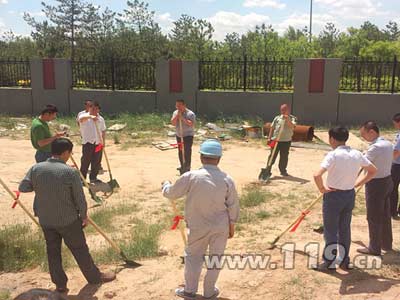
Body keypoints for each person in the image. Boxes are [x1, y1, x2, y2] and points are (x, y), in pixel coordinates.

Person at [18, 138, 115, 293]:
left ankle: (60, 284)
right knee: (80, 249)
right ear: (65, 153)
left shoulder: (36, 168)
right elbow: (79, 198)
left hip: (46, 220)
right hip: (68, 220)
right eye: (70, 153)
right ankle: (94, 277)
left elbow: (23, 187)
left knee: (53, 252)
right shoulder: (69, 172)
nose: (69, 155)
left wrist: (42, 187)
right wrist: (84, 216)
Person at [162, 139, 239, 299]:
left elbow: (171, 193)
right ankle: (209, 291)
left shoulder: (191, 176)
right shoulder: (227, 179)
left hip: (198, 226)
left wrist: (166, 185)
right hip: (220, 226)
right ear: (219, 159)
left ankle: (189, 291)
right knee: (216, 258)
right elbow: (233, 205)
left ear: (201, 157)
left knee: (193, 257)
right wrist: (232, 226)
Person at [313, 127, 377, 270]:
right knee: (344, 229)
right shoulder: (357, 154)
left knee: (330, 230)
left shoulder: (333, 155)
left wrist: (323, 189)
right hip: (349, 195)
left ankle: (329, 261)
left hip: (333, 196)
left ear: (332, 139)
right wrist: (357, 183)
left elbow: (317, 175)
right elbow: (373, 170)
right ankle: (344, 260)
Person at [357, 121, 393, 256]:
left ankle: (374, 247)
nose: (363, 138)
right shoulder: (388, 144)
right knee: (384, 214)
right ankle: (386, 243)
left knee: (373, 216)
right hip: (387, 181)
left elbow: (362, 163)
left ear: (371, 132)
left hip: (376, 184)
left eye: (364, 135)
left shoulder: (375, 147)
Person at [78, 101, 106, 184]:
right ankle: (82, 179)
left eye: (96, 109)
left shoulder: (101, 119)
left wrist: (103, 142)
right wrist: (90, 117)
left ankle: (93, 178)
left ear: (98, 109)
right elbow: (81, 120)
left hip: (98, 143)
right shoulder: (83, 116)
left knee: (96, 161)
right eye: (92, 108)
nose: (94, 110)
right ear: (89, 108)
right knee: (85, 161)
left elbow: (103, 131)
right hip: (88, 143)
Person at [267, 104, 297, 176]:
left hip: (286, 141)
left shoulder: (293, 118)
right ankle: (267, 170)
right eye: (282, 110)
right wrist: (269, 138)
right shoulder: (277, 118)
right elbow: (272, 128)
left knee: (284, 156)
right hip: (275, 140)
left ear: (288, 110)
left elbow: (292, 126)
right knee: (272, 155)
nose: (283, 111)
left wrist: (287, 119)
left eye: (285, 110)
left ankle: (283, 171)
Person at [171, 99, 196, 175]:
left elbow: (191, 124)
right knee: (180, 150)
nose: (177, 107)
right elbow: (173, 123)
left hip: (188, 135)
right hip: (179, 135)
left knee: (187, 151)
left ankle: (187, 167)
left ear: (184, 105)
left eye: (179, 105)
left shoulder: (190, 114)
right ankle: (182, 165)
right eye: (176, 105)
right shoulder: (175, 112)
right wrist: (177, 116)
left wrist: (182, 118)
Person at [391, 113, 400, 220]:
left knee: (393, 189)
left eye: (395, 124)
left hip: (397, 165)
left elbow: (397, 151)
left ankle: (392, 211)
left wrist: (388, 161)